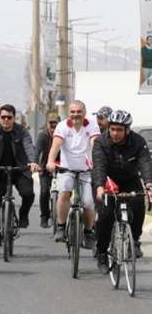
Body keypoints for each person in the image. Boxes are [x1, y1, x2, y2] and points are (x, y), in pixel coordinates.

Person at [92, 110, 152, 272]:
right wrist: (99, 186)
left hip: (129, 179)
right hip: (107, 180)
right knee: (105, 214)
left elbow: (145, 163)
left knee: (139, 202)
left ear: (127, 130)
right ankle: (102, 253)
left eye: (119, 130)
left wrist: (149, 185)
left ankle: (135, 240)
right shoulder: (101, 142)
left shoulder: (138, 142)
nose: (115, 133)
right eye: (112, 129)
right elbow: (99, 166)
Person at [0, 104, 39, 246]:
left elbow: (28, 146)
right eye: (3, 117)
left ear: (14, 118)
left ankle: (23, 214)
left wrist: (32, 162)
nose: (6, 120)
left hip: (19, 170)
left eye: (9, 117)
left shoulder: (22, 131)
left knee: (28, 194)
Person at [47, 100, 100, 248]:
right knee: (64, 193)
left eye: (79, 112)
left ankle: (89, 232)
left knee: (88, 202)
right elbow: (56, 145)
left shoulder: (92, 125)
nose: (75, 115)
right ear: (68, 113)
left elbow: (94, 143)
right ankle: (61, 227)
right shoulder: (62, 126)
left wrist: (98, 163)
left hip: (87, 170)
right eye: (72, 112)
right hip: (67, 169)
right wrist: (50, 161)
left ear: (84, 112)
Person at [35, 113, 60, 228]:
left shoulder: (63, 135)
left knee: (63, 192)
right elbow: (37, 151)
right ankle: (44, 216)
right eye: (51, 123)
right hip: (45, 168)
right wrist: (35, 163)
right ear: (47, 124)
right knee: (44, 192)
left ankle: (61, 218)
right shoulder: (42, 136)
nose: (53, 126)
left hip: (61, 167)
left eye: (56, 124)